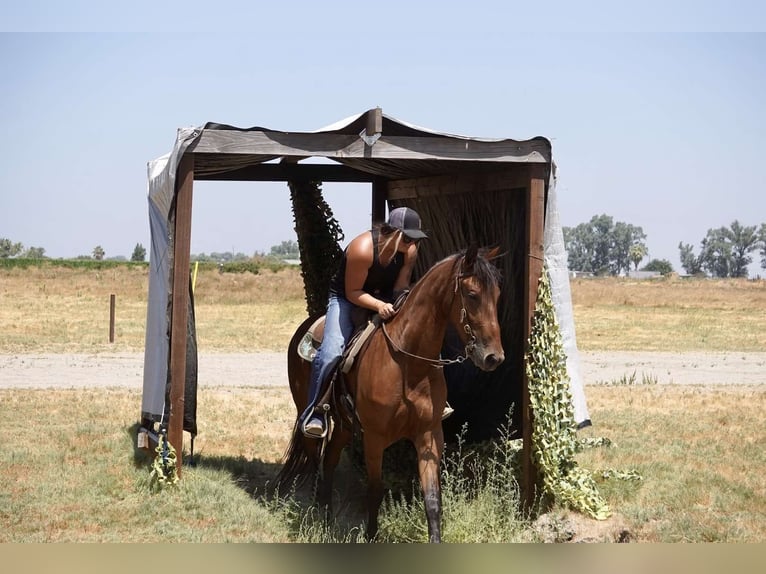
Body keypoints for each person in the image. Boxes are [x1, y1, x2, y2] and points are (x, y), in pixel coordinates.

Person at [300, 206, 430, 438]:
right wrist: (379, 306)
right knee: (331, 350)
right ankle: (315, 412)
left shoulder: (410, 250)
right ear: (394, 233)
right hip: (347, 298)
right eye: (408, 238)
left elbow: (400, 286)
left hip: (386, 296)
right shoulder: (362, 249)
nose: (412, 244)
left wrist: (403, 301)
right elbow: (353, 292)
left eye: (415, 239)